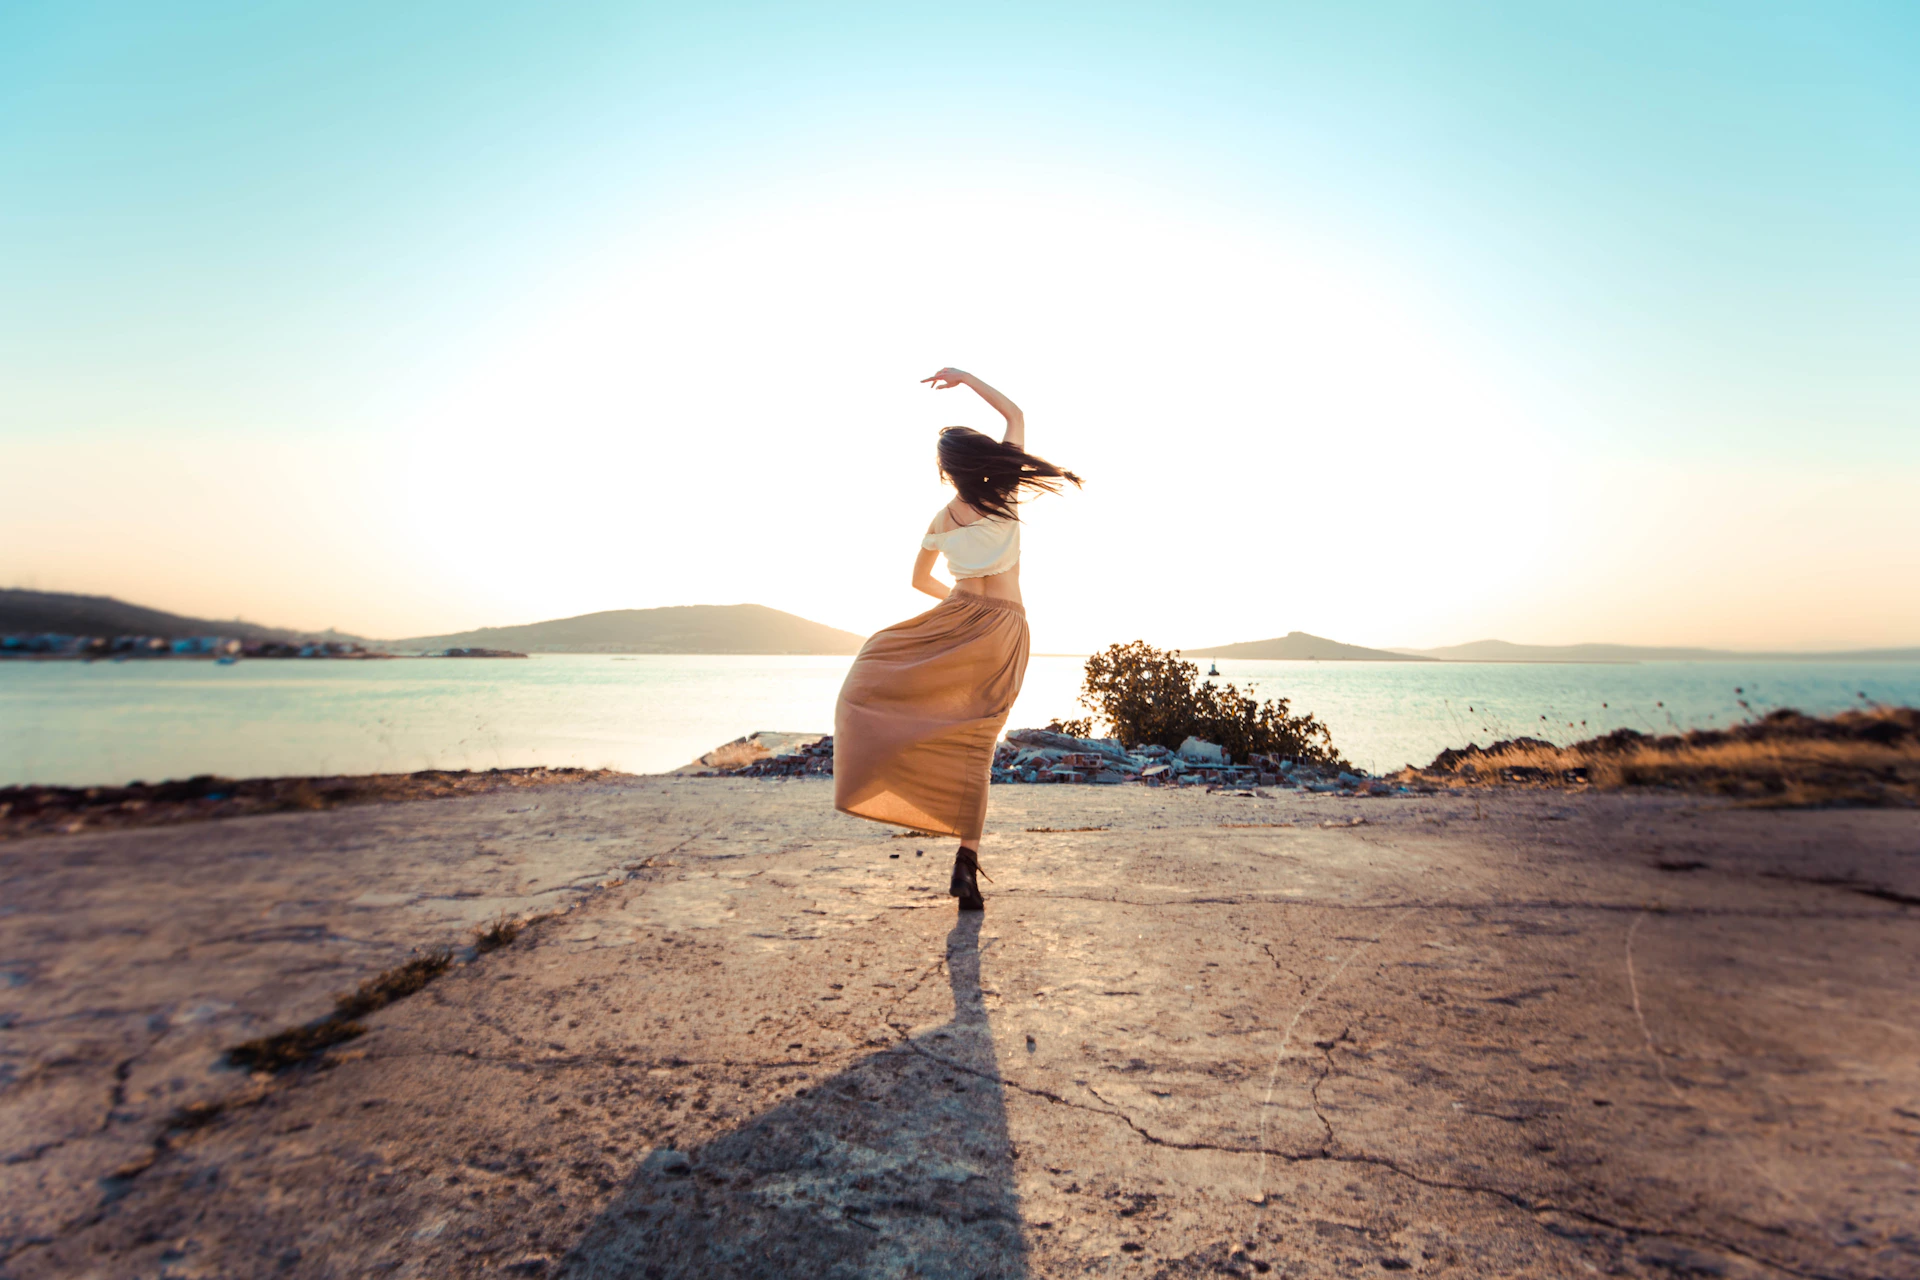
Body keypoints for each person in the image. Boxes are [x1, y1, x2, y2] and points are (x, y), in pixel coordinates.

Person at [833, 368, 1082, 910]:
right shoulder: (1007, 493)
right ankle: (966, 865)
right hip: (1006, 627)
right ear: (980, 459)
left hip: (961, 615)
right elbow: (1015, 416)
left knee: (881, 688)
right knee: (980, 743)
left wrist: (956, 606)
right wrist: (965, 377)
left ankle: (927, 812)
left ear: (947, 473)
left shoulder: (942, 518)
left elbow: (918, 581)